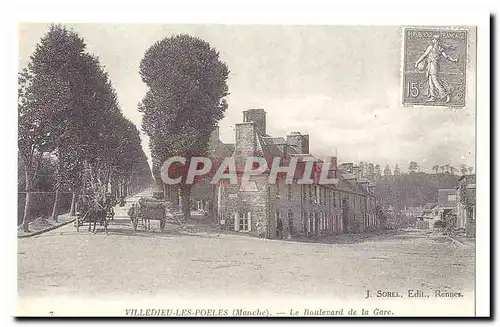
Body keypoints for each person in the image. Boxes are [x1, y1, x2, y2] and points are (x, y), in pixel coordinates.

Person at [414, 34, 459, 103]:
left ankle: (446, 94)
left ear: (435, 40)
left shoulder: (432, 47)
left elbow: (424, 55)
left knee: (435, 81)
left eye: (433, 39)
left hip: (433, 66)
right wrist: (453, 60)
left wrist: (417, 62)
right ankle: (433, 96)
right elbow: (446, 57)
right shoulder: (440, 48)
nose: (432, 40)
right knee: (430, 81)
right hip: (431, 65)